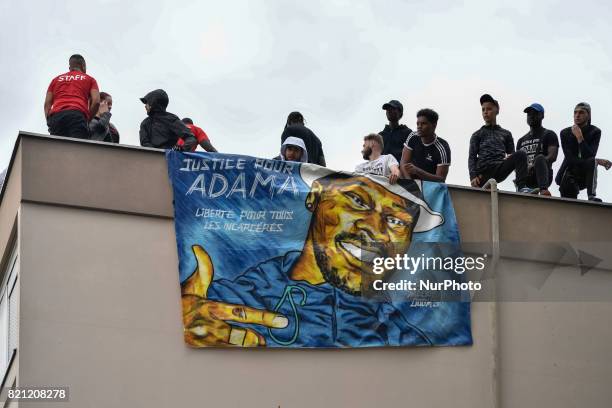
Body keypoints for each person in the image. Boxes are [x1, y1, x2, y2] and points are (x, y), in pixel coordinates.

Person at [180, 169, 447, 347]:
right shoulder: (233, 302)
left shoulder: (401, 333)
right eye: (357, 200)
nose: (375, 230)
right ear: (315, 196)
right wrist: (182, 323)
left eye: (395, 221)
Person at [468, 94, 529, 192]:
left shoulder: (506, 134)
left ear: (497, 110)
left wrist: (511, 157)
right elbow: (472, 157)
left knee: (521, 154)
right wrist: (473, 176)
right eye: (483, 110)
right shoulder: (477, 134)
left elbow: (511, 155)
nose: (485, 112)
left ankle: (521, 187)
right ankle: (485, 186)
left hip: (499, 169)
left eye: (489, 109)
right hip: (483, 173)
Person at [556, 102, 607, 202]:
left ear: (589, 115)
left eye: (581, 112)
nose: (577, 115)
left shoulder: (595, 131)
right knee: (568, 204)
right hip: (568, 171)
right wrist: (597, 161)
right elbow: (570, 159)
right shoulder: (565, 133)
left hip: (584, 174)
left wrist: (579, 137)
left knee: (592, 161)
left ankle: (591, 196)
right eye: (575, 113)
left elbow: (590, 155)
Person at [44, 54, 100, 139]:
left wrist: (49, 121)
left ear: (70, 67)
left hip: (56, 117)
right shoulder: (90, 79)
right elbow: (96, 102)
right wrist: (87, 120)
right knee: (77, 150)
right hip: (77, 115)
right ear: (83, 66)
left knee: (57, 149)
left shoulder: (55, 80)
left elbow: (47, 104)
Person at [515, 103, 558, 196]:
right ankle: (520, 189)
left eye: (534, 113)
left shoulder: (549, 134)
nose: (531, 116)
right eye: (529, 114)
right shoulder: (521, 141)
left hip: (542, 174)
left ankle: (543, 191)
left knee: (540, 158)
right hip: (525, 177)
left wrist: (534, 165)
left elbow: (552, 157)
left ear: (542, 115)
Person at [400, 109, 451, 183]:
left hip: (430, 187)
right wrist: (410, 183)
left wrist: (418, 171)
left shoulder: (442, 147)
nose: (419, 126)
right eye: (418, 124)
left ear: (434, 125)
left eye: (423, 123)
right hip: (411, 183)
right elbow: (403, 163)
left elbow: (441, 179)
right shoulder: (413, 136)